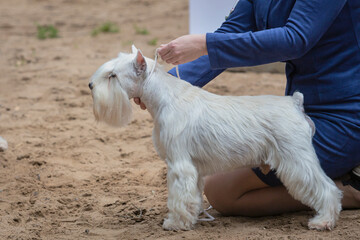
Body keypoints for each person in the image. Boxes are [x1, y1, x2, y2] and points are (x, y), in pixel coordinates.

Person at [135, 0, 360, 216]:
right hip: (298, 111)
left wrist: (204, 44)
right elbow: (231, 33)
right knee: (220, 190)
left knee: (223, 192)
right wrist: (163, 86)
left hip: (346, 114)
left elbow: (295, 39)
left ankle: (349, 190)